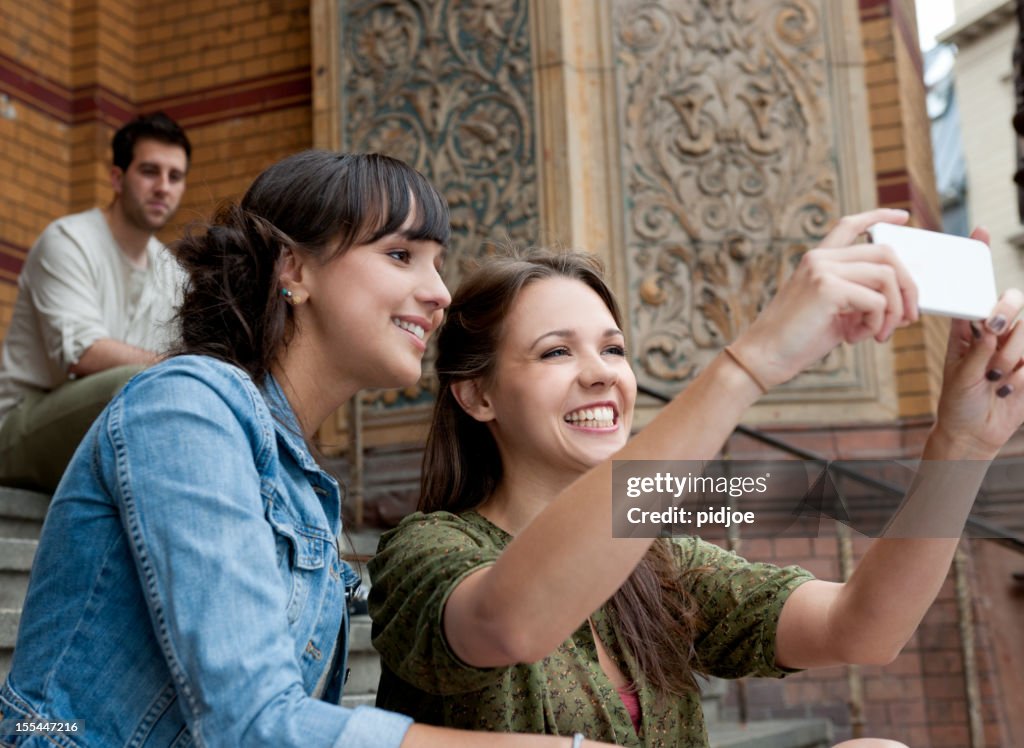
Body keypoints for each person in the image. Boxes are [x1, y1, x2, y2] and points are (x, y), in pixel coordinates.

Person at [0, 151, 613, 748]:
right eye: (401, 255)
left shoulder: (301, 479)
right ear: (293, 269)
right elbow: (256, 724)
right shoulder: (188, 406)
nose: (440, 293)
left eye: (613, 349)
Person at [369, 220, 1024, 747]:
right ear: (477, 395)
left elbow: (863, 628)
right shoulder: (424, 553)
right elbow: (510, 622)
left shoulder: (659, 560)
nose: (602, 375)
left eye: (614, 349)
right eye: (556, 351)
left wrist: (962, 443)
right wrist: (751, 363)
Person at [0, 111, 191, 492]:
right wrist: (178, 367)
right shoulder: (68, 241)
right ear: (117, 178)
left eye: (175, 177)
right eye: (150, 171)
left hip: (112, 421)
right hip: (20, 426)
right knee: (148, 382)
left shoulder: (173, 271)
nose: (163, 188)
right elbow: (83, 353)